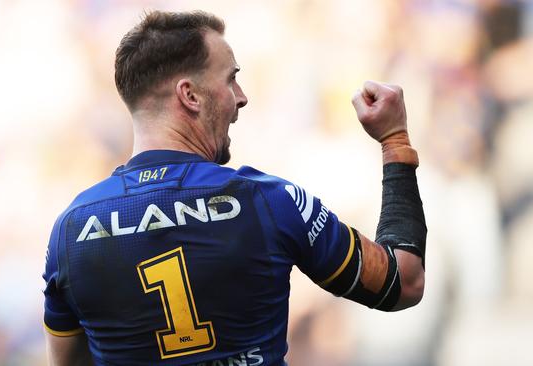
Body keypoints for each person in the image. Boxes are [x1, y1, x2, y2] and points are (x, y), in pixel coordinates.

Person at [42, 10, 426, 366]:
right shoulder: (268, 202)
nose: (241, 97)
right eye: (231, 78)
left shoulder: (70, 231)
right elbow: (403, 281)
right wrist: (394, 139)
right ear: (189, 95)